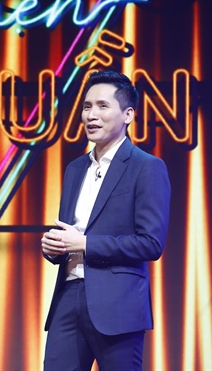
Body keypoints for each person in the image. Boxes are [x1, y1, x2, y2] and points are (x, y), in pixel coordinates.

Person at [41, 70, 170, 370]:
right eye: (87, 106)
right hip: (68, 297)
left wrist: (85, 244)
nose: (91, 115)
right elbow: (71, 234)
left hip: (118, 304)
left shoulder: (147, 167)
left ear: (128, 115)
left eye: (102, 106)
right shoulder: (75, 169)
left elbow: (150, 243)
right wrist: (55, 247)